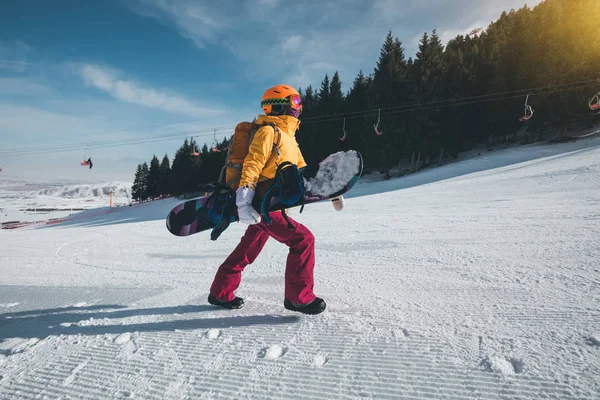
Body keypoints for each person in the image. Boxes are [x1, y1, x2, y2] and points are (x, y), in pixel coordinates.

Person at [208, 84, 326, 315]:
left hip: (274, 205)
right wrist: (243, 198)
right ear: (281, 104)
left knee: (248, 247)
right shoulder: (268, 131)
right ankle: (298, 298)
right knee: (303, 240)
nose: (298, 108)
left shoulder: (290, 137)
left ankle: (220, 292)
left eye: (299, 103)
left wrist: (330, 191)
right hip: (262, 204)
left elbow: (302, 173)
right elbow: (253, 164)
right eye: (295, 102)